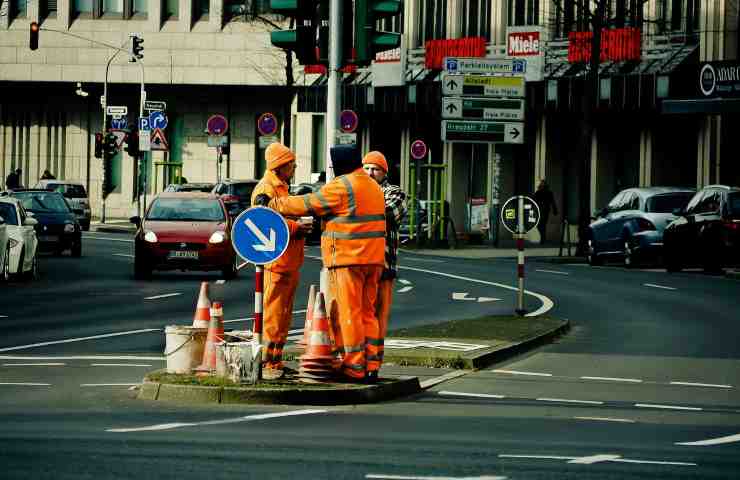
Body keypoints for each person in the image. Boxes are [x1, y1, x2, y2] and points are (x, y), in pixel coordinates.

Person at [264, 145, 386, 383]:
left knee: (348, 313)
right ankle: (371, 363)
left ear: (340, 164)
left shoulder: (344, 185)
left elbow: (308, 204)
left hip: (348, 259)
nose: (332, 170)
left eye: (333, 165)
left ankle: (354, 365)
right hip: (373, 260)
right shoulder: (373, 186)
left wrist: (272, 204)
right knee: (368, 313)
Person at [251, 142, 312, 380]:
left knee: (283, 315)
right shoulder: (265, 190)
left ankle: (274, 361)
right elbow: (264, 222)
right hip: (277, 262)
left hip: (287, 262)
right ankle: (268, 362)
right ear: (279, 167)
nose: (294, 167)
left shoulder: (280, 188)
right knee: (273, 315)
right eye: (290, 164)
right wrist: (298, 227)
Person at [362, 151, 406, 374]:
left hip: (384, 265)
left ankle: (374, 363)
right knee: (359, 314)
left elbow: (386, 216)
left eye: (375, 169)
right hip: (360, 264)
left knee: (378, 315)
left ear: (384, 173)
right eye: (367, 168)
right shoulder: (358, 190)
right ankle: (359, 359)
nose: (370, 173)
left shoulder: (394, 193)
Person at [533, 179, 558, 244]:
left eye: (543, 184)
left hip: (545, 210)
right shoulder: (538, 192)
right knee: (540, 225)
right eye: (541, 184)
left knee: (542, 224)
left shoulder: (549, 193)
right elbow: (533, 201)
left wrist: (555, 209)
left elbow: (552, 202)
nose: (542, 185)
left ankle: (543, 238)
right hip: (539, 210)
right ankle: (543, 237)